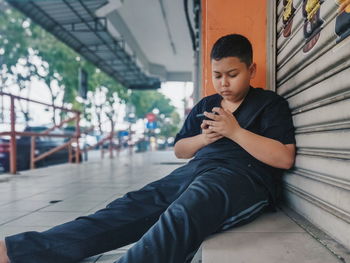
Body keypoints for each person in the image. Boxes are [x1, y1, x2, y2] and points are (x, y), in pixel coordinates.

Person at [0, 34, 296, 263]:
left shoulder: (269, 104)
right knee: (129, 206)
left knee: (184, 211)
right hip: (194, 169)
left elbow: (283, 158)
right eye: (217, 75)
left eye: (232, 74)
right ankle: (18, 250)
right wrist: (204, 140)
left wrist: (235, 132)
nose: (224, 83)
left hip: (242, 177)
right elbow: (180, 150)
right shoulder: (206, 105)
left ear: (251, 69)